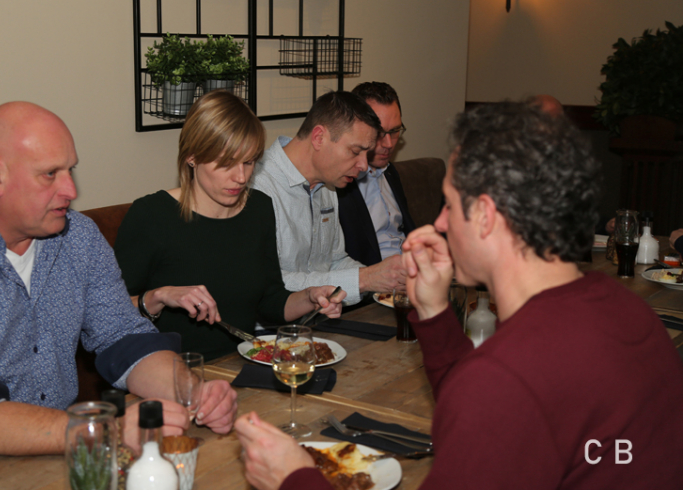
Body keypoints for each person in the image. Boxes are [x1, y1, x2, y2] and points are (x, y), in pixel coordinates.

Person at [235, 101, 683, 490]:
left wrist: (294, 478)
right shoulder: (628, 309)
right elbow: (482, 410)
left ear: (485, 216)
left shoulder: (507, 377)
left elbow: (491, 396)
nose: (441, 223)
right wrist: (433, 313)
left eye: (449, 204)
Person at [0, 102, 237, 484]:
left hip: (59, 454)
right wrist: (106, 431)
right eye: (50, 174)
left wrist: (191, 392)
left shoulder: (78, 236)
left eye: (71, 171)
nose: (71, 190)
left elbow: (125, 337)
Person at [114, 91, 345, 360]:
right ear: (192, 156)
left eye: (249, 162)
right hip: (169, 370)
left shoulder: (259, 208)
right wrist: (158, 296)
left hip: (239, 364)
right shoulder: (151, 215)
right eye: (226, 163)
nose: (241, 177)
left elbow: (270, 302)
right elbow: (107, 314)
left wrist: (309, 298)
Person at [250, 91, 407, 306]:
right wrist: (365, 279)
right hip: (272, 325)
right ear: (319, 138)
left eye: (366, 154)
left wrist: (381, 277)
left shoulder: (328, 183)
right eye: (355, 151)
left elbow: (335, 260)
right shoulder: (256, 186)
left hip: (320, 319)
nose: (363, 166)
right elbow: (269, 284)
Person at [336, 82, 417, 267]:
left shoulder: (390, 173)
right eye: (378, 132)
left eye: (394, 131)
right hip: (372, 277)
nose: (389, 144)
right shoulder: (337, 183)